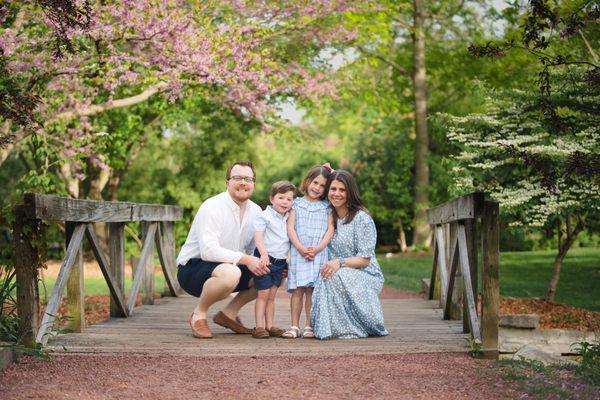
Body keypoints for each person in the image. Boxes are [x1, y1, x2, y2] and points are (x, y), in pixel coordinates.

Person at [176, 160, 267, 339]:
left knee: (268, 275)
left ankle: (228, 314)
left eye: (248, 179)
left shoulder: (256, 211)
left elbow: (254, 248)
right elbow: (208, 251)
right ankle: (199, 315)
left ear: (253, 184)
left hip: (229, 267)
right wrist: (247, 260)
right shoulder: (212, 207)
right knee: (231, 273)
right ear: (227, 182)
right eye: (237, 177)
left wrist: (271, 262)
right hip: (193, 269)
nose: (243, 182)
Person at [311, 169, 388, 339]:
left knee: (334, 274)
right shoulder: (327, 216)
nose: (337, 194)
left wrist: (339, 262)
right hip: (335, 270)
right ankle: (328, 327)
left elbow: (365, 260)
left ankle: (356, 326)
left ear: (350, 192)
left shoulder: (361, 218)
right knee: (326, 275)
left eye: (342, 190)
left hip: (366, 273)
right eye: (333, 189)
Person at [283, 165, 335, 339]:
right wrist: (299, 247)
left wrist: (319, 247)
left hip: (318, 253)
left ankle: (309, 325)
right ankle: (294, 325)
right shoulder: (296, 204)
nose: (317, 188)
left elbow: (330, 230)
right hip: (299, 252)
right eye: (315, 183)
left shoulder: (326, 207)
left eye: (322, 186)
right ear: (308, 181)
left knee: (311, 290)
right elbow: (290, 228)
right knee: (298, 290)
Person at [251, 181, 296, 339]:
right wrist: (263, 254)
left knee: (271, 296)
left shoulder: (290, 217)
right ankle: (259, 326)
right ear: (272, 199)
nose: (285, 202)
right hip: (266, 260)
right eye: (281, 197)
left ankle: (270, 326)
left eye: (289, 199)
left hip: (280, 262)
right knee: (263, 294)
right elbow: (258, 236)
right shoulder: (265, 216)